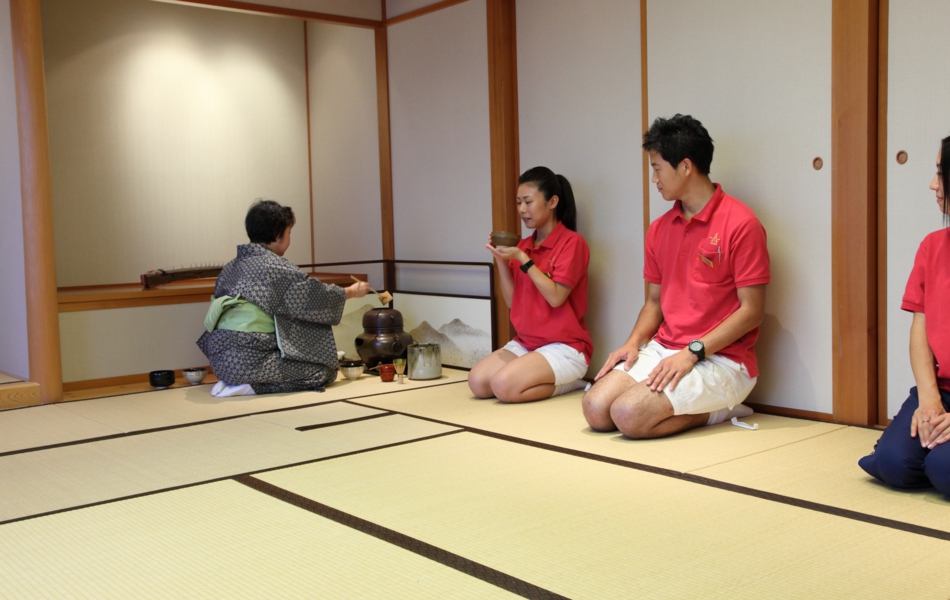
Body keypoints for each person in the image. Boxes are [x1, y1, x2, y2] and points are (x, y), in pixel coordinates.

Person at [582, 114, 769, 438]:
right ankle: (675, 403)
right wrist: (633, 343)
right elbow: (654, 302)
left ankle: (720, 410)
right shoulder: (659, 229)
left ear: (685, 167)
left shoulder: (742, 224)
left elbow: (752, 311)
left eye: (657, 168)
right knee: (596, 408)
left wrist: (692, 352)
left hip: (722, 359)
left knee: (628, 414)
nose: (654, 178)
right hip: (666, 348)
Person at [197, 199, 370, 397]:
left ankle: (235, 381)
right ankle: (249, 386)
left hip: (220, 361)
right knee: (323, 371)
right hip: (250, 360)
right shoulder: (275, 267)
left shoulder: (230, 268)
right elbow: (313, 299)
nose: (289, 238)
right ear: (278, 235)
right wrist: (351, 291)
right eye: (289, 233)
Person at [858, 136, 950, 495]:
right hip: (942, 390)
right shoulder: (932, 246)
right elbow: (920, 329)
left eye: (941, 173)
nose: (933, 184)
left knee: (943, 470)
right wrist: (929, 400)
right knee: (892, 464)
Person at [468, 166, 592, 403]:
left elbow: (556, 297)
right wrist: (501, 260)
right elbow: (511, 302)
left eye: (528, 202)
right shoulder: (522, 246)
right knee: (478, 383)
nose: (522, 210)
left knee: (503, 386)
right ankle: (543, 378)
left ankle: (572, 384)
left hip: (565, 347)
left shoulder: (572, 243)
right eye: (519, 203)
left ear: (552, 202)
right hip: (526, 344)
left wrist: (523, 259)